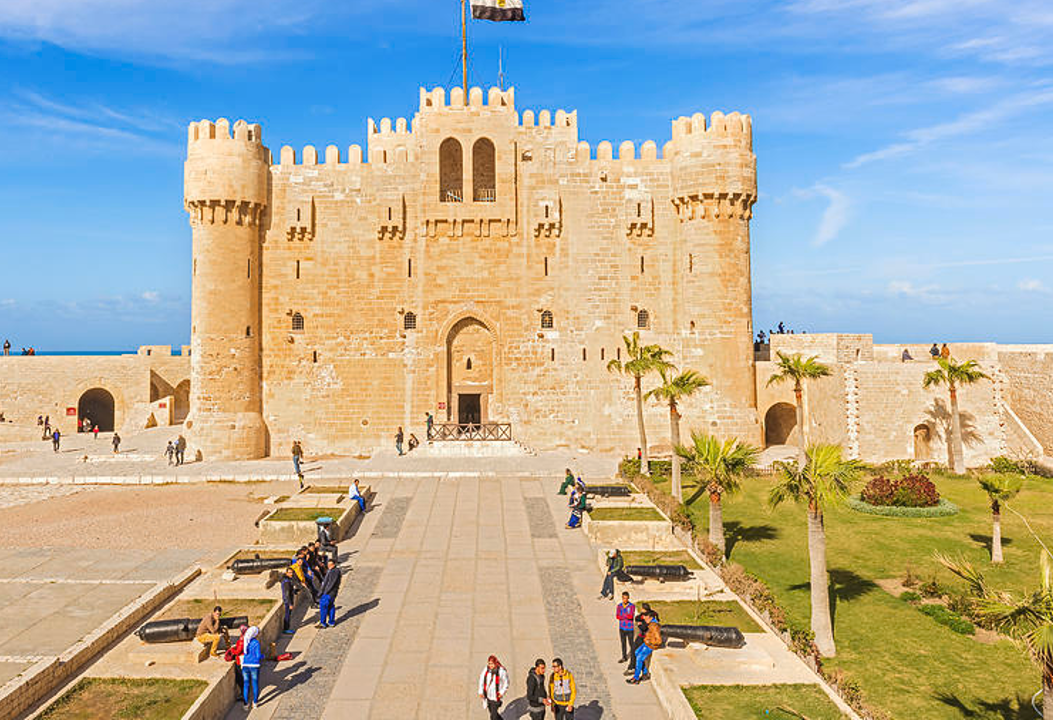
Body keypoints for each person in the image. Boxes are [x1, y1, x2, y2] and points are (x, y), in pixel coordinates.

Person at [627, 610, 662, 684]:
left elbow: (659, 641)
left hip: (649, 645)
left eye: (645, 617)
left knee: (639, 658)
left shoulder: (654, 626)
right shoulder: (650, 623)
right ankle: (645, 672)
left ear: (650, 617)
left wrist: (650, 642)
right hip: (646, 643)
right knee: (636, 652)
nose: (644, 619)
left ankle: (636, 678)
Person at [478, 655, 510, 720]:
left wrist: (501, 692)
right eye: (489, 663)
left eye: (492, 663)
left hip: (496, 697)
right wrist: (481, 691)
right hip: (487, 696)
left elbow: (506, 683)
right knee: (492, 713)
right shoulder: (486, 670)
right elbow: (481, 679)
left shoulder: (501, 671)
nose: (490, 665)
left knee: (493, 716)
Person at [223, 623, 249, 702]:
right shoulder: (248, 638)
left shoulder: (242, 640)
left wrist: (232, 649)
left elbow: (238, 651)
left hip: (240, 661)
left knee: (240, 678)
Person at [240, 625, 262, 710]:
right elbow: (258, 656)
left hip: (245, 665)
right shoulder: (256, 643)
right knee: (255, 684)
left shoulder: (246, 641)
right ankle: (255, 703)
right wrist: (263, 656)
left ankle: (246, 704)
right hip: (254, 666)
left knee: (246, 684)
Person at [317, 558, 341, 628]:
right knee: (330, 606)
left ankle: (323, 623)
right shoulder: (332, 570)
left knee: (323, 606)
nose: (329, 566)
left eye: (331, 564)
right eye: (328, 564)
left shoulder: (334, 572)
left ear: (334, 564)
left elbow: (331, 583)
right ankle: (331, 622)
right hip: (332, 593)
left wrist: (324, 592)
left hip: (329, 593)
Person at [617, 592, 636, 662]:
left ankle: (633, 658)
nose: (625, 600)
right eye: (623, 598)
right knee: (623, 643)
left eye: (626, 598)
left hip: (629, 628)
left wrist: (623, 616)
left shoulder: (632, 606)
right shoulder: (619, 606)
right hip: (622, 627)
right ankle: (624, 657)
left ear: (628, 598)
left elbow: (630, 616)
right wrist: (626, 615)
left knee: (631, 644)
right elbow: (617, 616)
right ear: (622, 598)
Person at [280, 566, 298, 634]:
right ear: (286, 573)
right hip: (288, 600)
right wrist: (290, 603)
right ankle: (286, 629)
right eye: (290, 573)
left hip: (288, 599)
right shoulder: (286, 582)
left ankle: (287, 628)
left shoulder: (288, 580)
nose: (291, 574)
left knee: (288, 614)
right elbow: (287, 593)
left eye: (292, 573)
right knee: (287, 614)